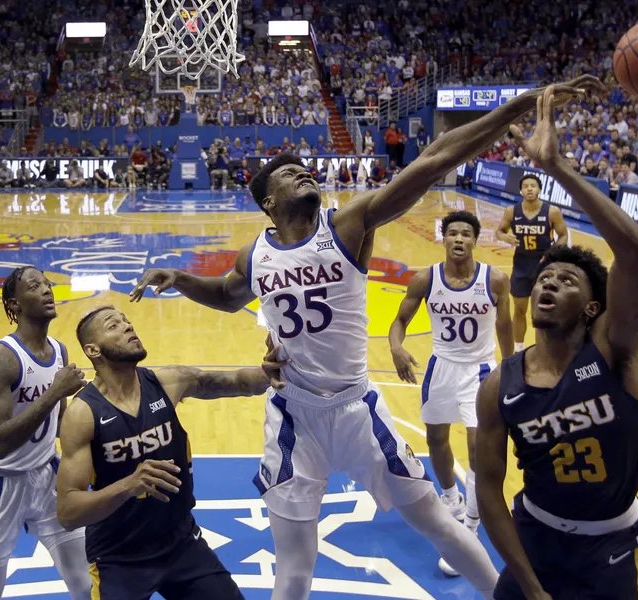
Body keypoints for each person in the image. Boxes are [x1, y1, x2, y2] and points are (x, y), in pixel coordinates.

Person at [131, 76, 605, 600]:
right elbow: (226, 294)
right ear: (269, 200)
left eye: (304, 166)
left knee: (438, 525)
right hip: (294, 414)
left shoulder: (349, 224)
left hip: (358, 408)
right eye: (290, 173)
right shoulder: (255, 255)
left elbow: (435, 159)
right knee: (294, 565)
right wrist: (180, 280)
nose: (304, 171)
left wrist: (515, 108)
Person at [477, 86, 638, 599]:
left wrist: (557, 168)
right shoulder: (500, 386)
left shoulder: (614, 353)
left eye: (567, 280)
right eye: (547, 277)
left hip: (615, 548)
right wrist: (531, 588)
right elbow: (489, 490)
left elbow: (635, 253)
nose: (550, 282)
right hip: (535, 540)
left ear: (594, 309)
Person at [56, 306, 274, 599]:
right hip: (119, 557)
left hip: (180, 543)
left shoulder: (168, 383)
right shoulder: (83, 414)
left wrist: (272, 370)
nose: (127, 327)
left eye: (128, 322)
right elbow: (68, 512)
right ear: (93, 350)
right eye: (114, 325)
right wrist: (127, 486)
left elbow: (238, 382)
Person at [0, 266, 91, 600]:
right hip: (1, 483)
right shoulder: (2, 358)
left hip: (47, 475)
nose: (48, 290)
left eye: (48, 284)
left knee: (85, 583)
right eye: (35, 287)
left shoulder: (59, 351)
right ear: (14, 306)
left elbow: (59, 424)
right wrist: (55, 392)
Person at [388, 211, 514, 541]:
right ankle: (451, 499)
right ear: (443, 239)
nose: (459, 239)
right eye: (453, 233)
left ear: (475, 240)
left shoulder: (495, 280)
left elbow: (505, 328)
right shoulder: (425, 280)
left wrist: (511, 368)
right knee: (436, 440)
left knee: (477, 448)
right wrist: (396, 348)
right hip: (441, 368)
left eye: (465, 234)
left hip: (480, 371)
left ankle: (471, 524)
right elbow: (399, 321)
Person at [495, 174, 568, 352]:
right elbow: (499, 231)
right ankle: (519, 350)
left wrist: (552, 253)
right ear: (521, 190)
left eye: (533, 186)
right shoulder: (512, 211)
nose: (529, 189)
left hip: (544, 266)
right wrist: (505, 237)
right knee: (519, 310)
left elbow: (563, 235)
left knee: (543, 311)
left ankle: (545, 349)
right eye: (526, 186)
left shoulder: (552, 211)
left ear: (539, 189)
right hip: (521, 264)